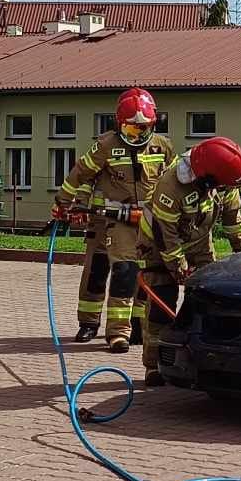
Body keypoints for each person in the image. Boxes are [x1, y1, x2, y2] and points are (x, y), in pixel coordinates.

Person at [78, 136, 241, 418]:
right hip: (158, 247)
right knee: (162, 303)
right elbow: (166, 236)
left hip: (199, 242)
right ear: (206, 177)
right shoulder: (171, 186)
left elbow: (234, 220)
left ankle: (203, 356)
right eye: (221, 186)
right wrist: (178, 268)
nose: (224, 190)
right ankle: (154, 366)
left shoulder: (225, 182)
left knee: (209, 298)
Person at [55, 88, 176, 351]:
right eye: (131, 129)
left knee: (142, 274)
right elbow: (80, 174)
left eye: (143, 128)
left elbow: (173, 182)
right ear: (119, 124)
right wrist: (63, 203)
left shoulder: (162, 146)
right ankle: (98, 326)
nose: (138, 135)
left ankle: (136, 325)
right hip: (112, 220)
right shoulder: (107, 145)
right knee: (108, 272)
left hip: (146, 222)